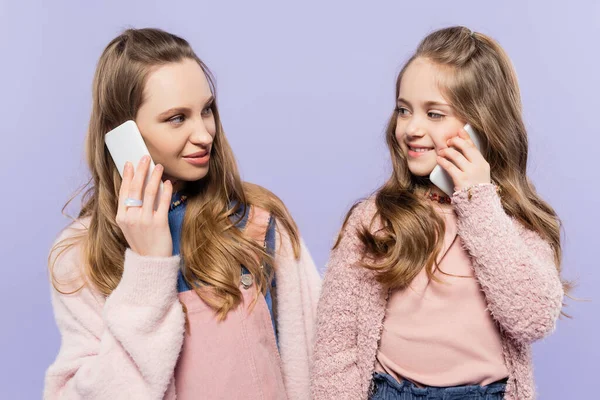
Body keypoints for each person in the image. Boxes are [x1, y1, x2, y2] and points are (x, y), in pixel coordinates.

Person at [45, 28, 321, 400]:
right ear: (123, 136)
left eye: (206, 110)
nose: (205, 134)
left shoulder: (259, 221)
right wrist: (147, 267)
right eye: (177, 118)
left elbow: (320, 358)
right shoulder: (81, 256)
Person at [311, 26, 567, 400]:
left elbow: (531, 318)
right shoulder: (373, 220)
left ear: (481, 126)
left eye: (434, 113)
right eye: (403, 110)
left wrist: (478, 200)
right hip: (389, 391)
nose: (412, 128)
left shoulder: (513, 223)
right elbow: (336, 346)